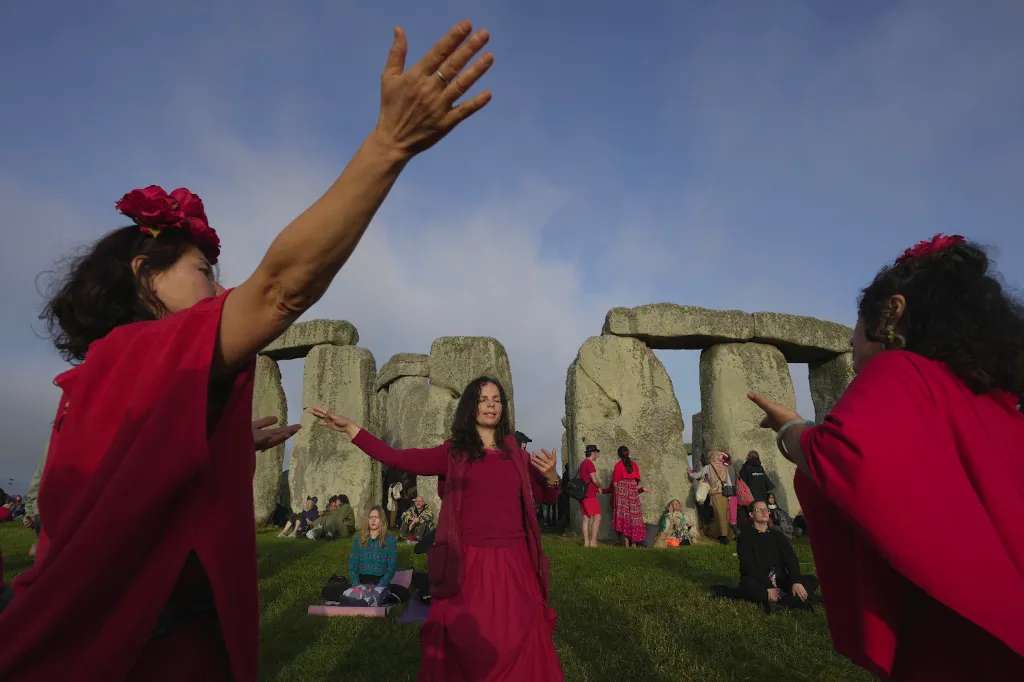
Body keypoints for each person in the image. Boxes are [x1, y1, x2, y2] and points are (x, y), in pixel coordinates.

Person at [0, 21, 494, 680]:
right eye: (202, 268)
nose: (219, 286)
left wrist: (223, 444)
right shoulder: (145, 353)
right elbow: (281, 291)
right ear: (146, 274)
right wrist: (390, 145)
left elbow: (132, 491)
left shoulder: (113, 374)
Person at [749, 235, 1024, 679]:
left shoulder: (901, 369)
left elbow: (848, 457)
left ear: (891, 312)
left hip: (956, 627)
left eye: (855, 328)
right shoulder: (994, 400)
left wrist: (792, 429)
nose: (852, 345)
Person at [311, 375, 563, 681]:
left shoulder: (515, 454)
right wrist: (352, 429)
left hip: (514, 562)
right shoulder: (454, 453)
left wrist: (551, 474)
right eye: (484, 400)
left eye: (496, 400)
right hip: (469, 563)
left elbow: (548, 493)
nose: (491, 405)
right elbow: (399, 457)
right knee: (469, 641)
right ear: (471, 407)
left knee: (522, 633)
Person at [736, 501, 817, 612]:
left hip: (780, 580)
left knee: (811, 580)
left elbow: (791, 558)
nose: (764, 512)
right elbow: (748, 565)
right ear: (751, 515)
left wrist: (796, 581)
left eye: (766, 509)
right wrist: (768, 587)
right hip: (758, 580)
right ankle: (796, 600)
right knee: (748, 586)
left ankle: (782, 603)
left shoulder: (777, 535)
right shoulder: (745, 536)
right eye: (759, 510)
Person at [343, 506, 398, 605]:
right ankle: (363, 600)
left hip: (380, 583)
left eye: (376, 517)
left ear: (382, 520)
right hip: (361, 582)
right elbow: (352, 565)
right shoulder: (358, 538)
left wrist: (380, 586)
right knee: (332, 591)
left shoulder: (390, 540)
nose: (373, 520)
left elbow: (391, 568)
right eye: (371, 517)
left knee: (398, 593)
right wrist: (356, 585)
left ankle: (371, 600)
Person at [690, 450, 734, 544]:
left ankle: (723, 536)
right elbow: (729, 481)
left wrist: (690, 473)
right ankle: (726, 534)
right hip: (725, 494)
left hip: (715, 494)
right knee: (725, 515)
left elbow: (698, 475)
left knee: (719, 514)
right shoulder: (724, 467)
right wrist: (730, 495)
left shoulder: (708, 467)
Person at [607, 446, 645, 548]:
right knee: (634, 516)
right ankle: (634, 543)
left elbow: (615, 484)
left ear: (618, 454)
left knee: (624, 517)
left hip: (622, 493)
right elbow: (636, 481)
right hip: (632, 492)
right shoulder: (634, 465)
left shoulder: (618, 466)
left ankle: (626, 542)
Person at [577, 444, 602, 547]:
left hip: (582, 495)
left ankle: (586, 542)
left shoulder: (582, 464)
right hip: (589, 495)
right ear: (593, 453)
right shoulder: (589, 463)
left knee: (586, 518)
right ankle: (593, 542)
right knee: (597, 517)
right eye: (597, 453)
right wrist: (599, 486)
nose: (597, 455)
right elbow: (594, 479)